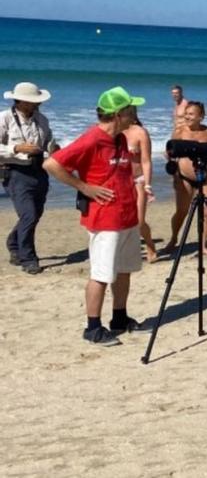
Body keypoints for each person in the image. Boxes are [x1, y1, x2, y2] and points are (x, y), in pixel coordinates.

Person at [43, 87, 148, 346]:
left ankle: (120, 318)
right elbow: (52, 164)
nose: (135, 113)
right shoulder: (91, 138)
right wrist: (84, 187)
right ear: (118, 114)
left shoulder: (121, 138)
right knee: (102, 273)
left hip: (126, 214)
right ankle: (92, 327)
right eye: (131, 109)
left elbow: (125, 171)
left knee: (124, 270)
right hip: (105, 218)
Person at [1, 82, 59, 274]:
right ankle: (28, 258)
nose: (38, 105)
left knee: (35, 214)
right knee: (29, 215)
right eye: (34, 102)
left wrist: (54, 149)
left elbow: (49, 141)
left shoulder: (42, 119)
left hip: (38, 170)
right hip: (15, 171)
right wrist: (16, 148)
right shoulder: (4, 118)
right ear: (21, 102)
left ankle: (13, 242)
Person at [162, 101, 207, 256]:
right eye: (186, 113)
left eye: (191, 114)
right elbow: (169, 152)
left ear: (201, 116)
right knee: (182, 211)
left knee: (206, 212)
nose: (187, 116)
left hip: (205, 177)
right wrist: (170, 160)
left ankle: (203, 245)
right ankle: (174, 239)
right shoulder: (180, 131)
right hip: (184, 177)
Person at [117, 105, 159, 263]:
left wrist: (148, 184)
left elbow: (146, 160)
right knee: (121, 218)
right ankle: (125, 249)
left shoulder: (140, 132)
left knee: (139, 221)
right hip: (120, 180)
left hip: (138, 180)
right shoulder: (115, 131)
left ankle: (149, 245)